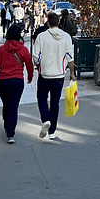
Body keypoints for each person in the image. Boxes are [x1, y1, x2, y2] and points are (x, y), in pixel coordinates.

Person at [0, 24, 33, 143]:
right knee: (13, 107)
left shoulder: (2, 49)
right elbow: (29, 65)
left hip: (3, 82)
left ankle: (6, 125)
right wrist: (30, 77)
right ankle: (11, 133)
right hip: (17, 81)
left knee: (6, 104)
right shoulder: (23, 50)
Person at [33, 12, 76, 140]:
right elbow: (70, 57)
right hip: (59, 74)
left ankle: (45, 118)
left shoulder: (41, 37)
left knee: (41, 96)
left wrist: (38, 65)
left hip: (45, 73)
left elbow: (36, 56)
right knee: (55, 102)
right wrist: (72, 73)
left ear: (47, 23)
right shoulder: (67, 37)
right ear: (58, 22)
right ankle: (52, 131)